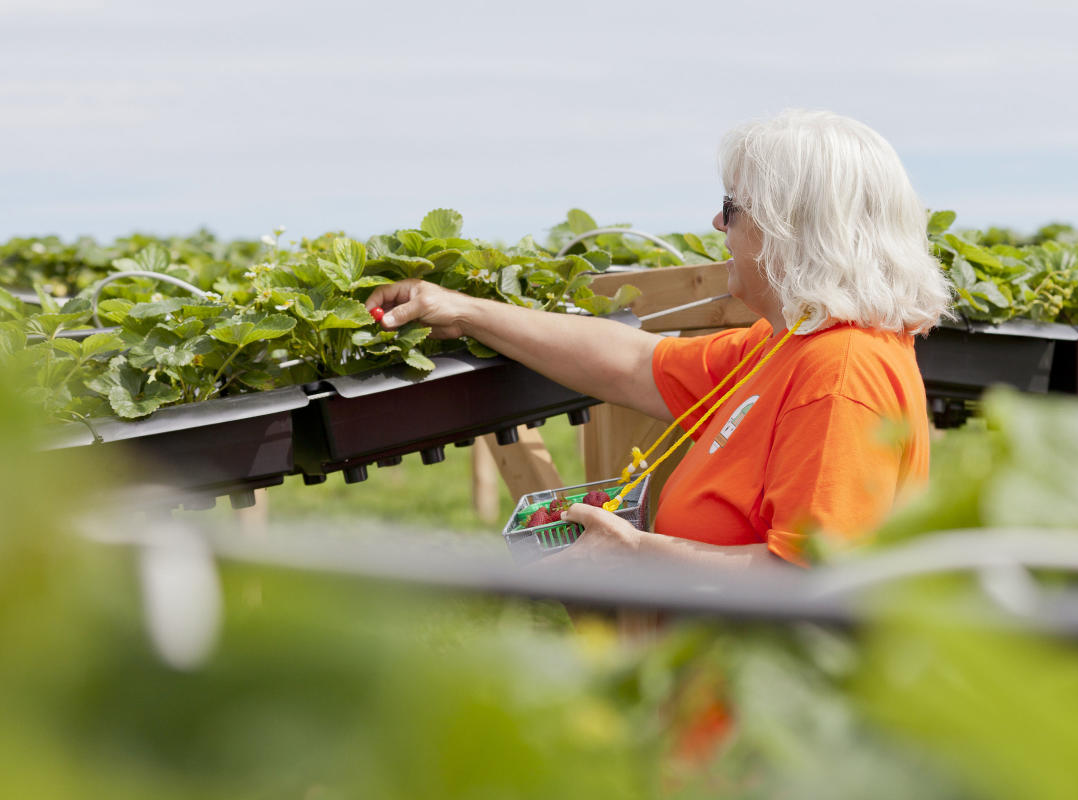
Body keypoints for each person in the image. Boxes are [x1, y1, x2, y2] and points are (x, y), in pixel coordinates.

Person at [366, 109, 951, 569]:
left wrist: (637, 553)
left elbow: (813, 582)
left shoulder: (839, 373)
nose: (717, 223)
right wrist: (465, 311)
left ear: (792, 228)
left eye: (732, 207)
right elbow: (635, 365)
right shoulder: (788, 344)